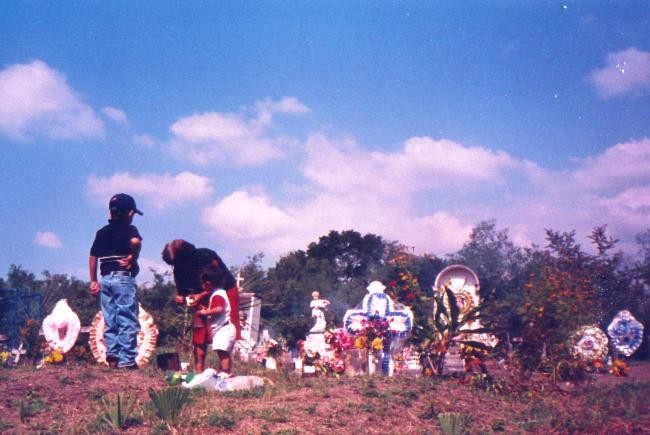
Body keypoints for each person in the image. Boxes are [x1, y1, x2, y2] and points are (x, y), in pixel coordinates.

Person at [161, 239, 241, 371]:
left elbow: (220, 281)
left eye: (177, 262)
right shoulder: (178, 270)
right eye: (174, 264)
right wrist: (181, 298)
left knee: (225, 331)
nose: (176, 266)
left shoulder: (206, 256)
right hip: (201, 299)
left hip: (224, 291)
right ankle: (199, 373)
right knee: (199, 332)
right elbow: (183, 292)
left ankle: (224, 372)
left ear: (186, 256)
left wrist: (201, 295)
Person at [89, 193, 143, 369]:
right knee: (126, 317)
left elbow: (93, 256)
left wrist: (93, 280)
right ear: (129, 213)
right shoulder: (130, 229)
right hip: (122, 277)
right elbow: (135, 242)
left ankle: (112, 359)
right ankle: (127, 361)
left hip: (105, 279)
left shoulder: (101, 232)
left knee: (110, 318)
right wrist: (133, 257)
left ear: (110, 213)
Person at [195, 267, 236, 377]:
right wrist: (207, 308)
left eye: (202, 283)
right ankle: (224, 371)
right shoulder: (219, 293)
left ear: (208, 283)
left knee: (222, 351)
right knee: (222, 351)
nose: (202, 286)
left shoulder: (217, 294)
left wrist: (205, 312)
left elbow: (219, 309)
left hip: (224, 328)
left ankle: (226, 372)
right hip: (224, 328)